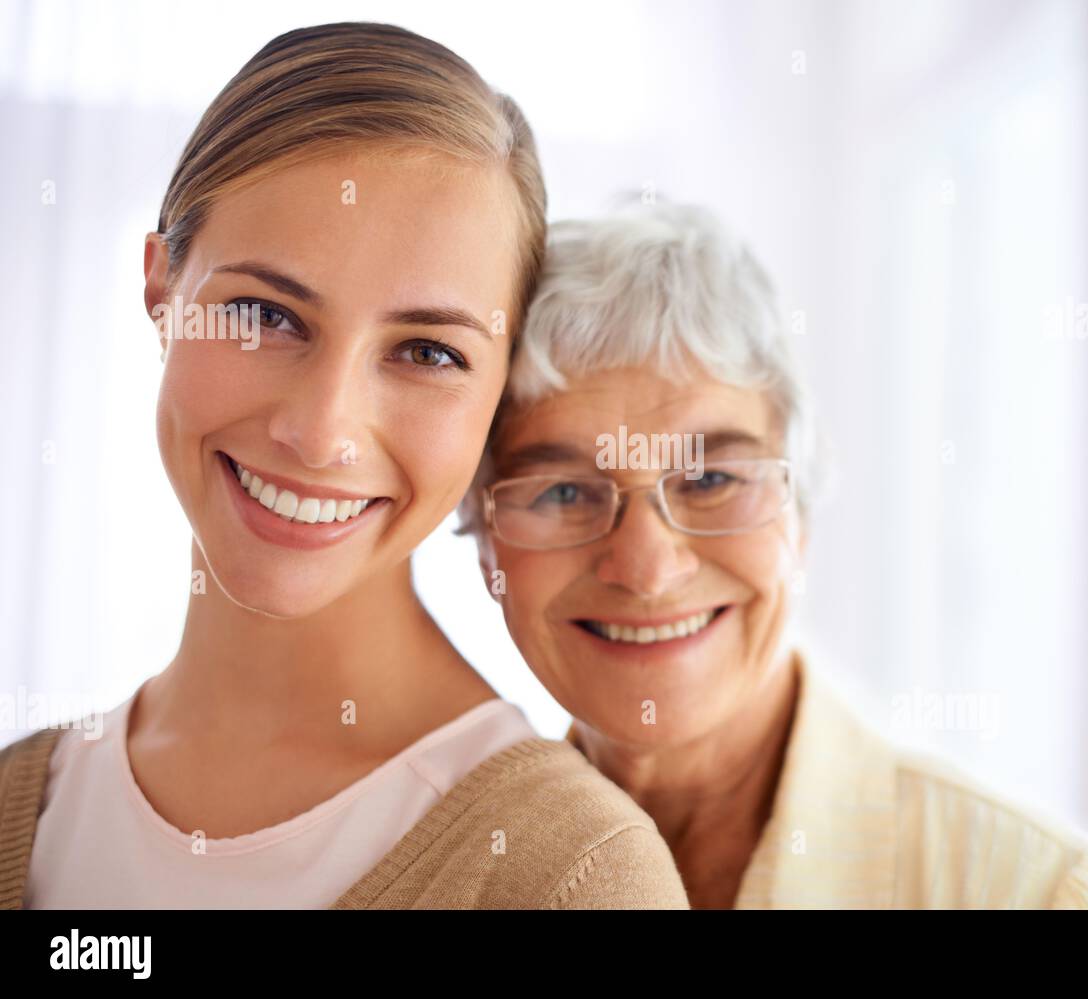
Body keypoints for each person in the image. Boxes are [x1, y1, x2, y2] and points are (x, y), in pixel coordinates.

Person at [0, 22, 686, 910]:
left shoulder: (572, 877)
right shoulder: (24, 800)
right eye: (265, 313)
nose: (322, 433)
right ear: (161, 290)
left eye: (429, 353)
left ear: (501, 390)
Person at [459, 199, 1088, 909]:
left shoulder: (1041, 892)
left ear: (802, 513)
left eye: (710, 480)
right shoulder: (445, 878)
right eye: (564, 492)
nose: (645, 568)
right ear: (484, 543)